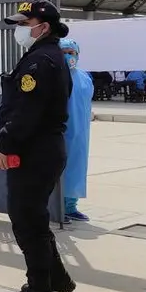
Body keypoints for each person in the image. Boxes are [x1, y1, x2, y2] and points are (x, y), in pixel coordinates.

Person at [0, 0, 77, 292]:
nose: (19, 29)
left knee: (27, 221)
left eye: (24, 24)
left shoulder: (39, 62)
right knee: (35, 217)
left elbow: (27, 112)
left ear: (43, 27)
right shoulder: (45, 56)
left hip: (35, 150)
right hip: (43, 149)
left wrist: (5, 144)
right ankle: (55, 278)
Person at [59, 38, 94, 223]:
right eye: (63, 52)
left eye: (71, 53)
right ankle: (57, 206)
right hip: (62, 131)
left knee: (77, 167)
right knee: (61, 168)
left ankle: (71, 206)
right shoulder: (55, 77)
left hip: (81, 131)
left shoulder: (84, 77)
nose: (67, 56)